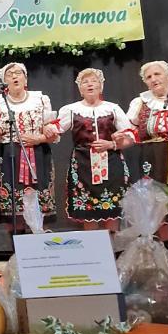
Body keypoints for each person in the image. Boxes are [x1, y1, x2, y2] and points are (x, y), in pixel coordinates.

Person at [44, 68, 134, 229]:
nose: (90, 84)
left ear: (101, 86)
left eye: (93, 81)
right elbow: (55, 130)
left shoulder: (113, 108)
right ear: (80, 89)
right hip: (83, 164)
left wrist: (112, 144)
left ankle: (112, 243)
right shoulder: (71, 110)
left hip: (111, 162)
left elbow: (130, 137)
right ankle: (93, 244)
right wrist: (48, 129)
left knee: (112, 209)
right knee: (88, 211)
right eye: (85, 82)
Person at [0, 61, 55, 226]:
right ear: (4, 82)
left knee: (40, 198)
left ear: (26, 78)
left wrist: (39, 138)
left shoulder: (40, 99)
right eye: (9, 75)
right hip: (9, 155)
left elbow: (52, 132)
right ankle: (16, 241)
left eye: (18, 73)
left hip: (38, 153)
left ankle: (39, 239)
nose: (14, 77)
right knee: (12, 204)